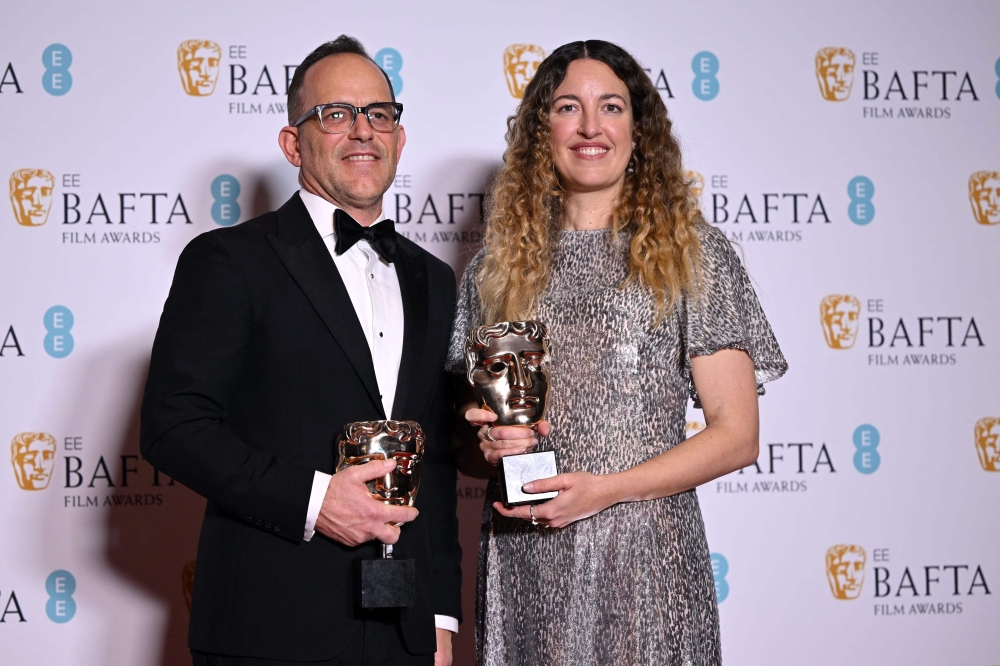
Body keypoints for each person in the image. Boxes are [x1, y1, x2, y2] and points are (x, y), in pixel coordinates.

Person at [446, 40, 787, 665]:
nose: (590, 127)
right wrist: (485, 445)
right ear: (540, 131)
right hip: (527, 558)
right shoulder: (493, 271)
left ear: (639, 130)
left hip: (643, 559)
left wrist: (606, 490)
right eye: (567, 107)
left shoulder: (694, 255)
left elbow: (737, 435)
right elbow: (467, 450)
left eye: (611, 106)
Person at [141, 36, 461, 666]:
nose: (362, 131)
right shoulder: (229, 261)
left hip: (404, 634)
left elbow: (439, 463)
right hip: (269, 627)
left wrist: (441, 620)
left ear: (400, 138)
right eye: (336, 115)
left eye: (379, 114)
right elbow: (174, 427)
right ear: (293, 144)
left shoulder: (433, 277)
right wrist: (316, 500)